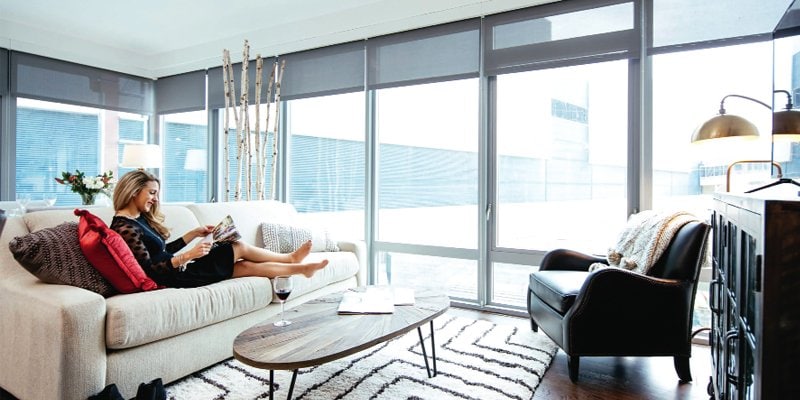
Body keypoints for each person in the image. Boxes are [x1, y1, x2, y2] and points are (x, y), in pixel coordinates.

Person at [110, 170, 328, 288]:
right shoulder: (124, 227)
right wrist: (188, 256)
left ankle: (301, 269)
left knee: (244, 267)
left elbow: (162, 251)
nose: (156, 199)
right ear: (133, 191)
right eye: (151, 193)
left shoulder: (139, 219)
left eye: (156, 193)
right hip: (175, 278)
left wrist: (193, 234)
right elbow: (148, 270)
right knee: (236, 246)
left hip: (178, 271)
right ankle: (290, 259)